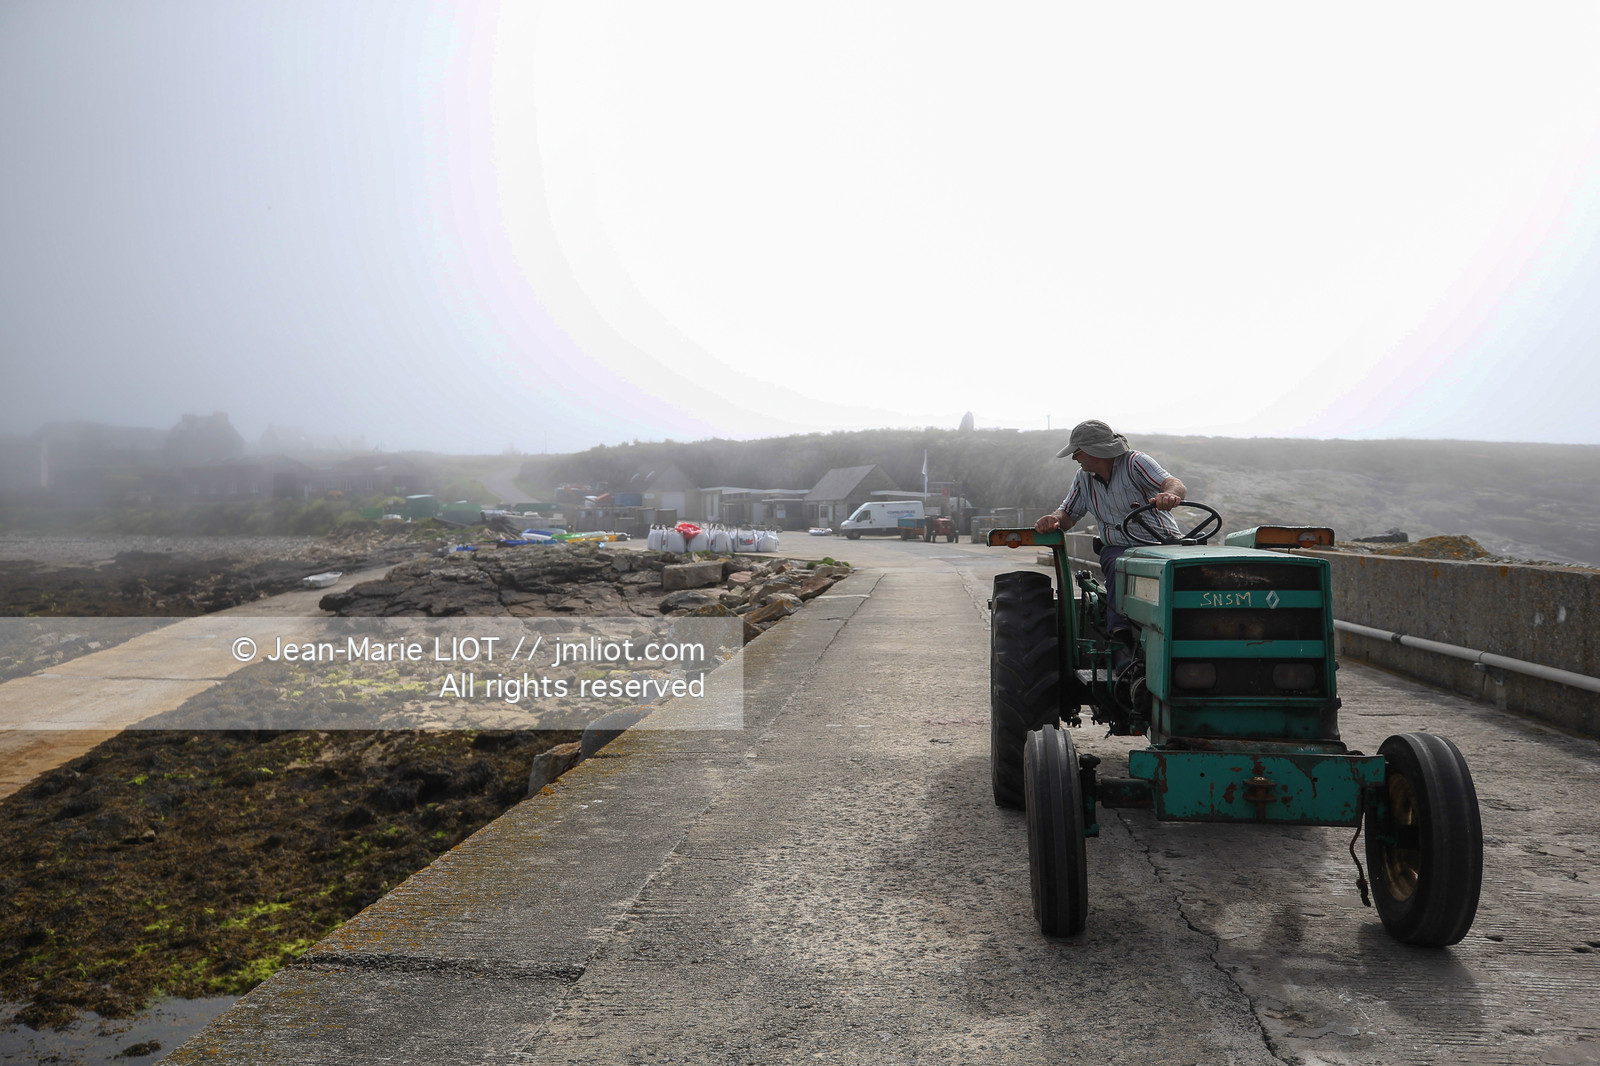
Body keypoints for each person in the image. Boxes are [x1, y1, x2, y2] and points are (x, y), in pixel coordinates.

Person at [1034, 419, 1187, 643]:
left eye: (1077, 452)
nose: (1074, 458)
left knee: (1189, 572)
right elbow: (1067, 516)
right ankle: (1119, 634)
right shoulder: (1083, 478)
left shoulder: (1135, 462)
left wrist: (1169, 495)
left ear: (1094, 451)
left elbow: (1174, 484)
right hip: (1119, 547)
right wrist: (1053, 520)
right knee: (1118, 565)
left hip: (1163, 543)